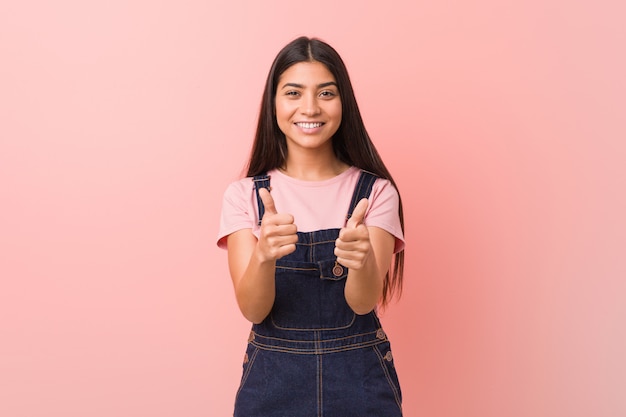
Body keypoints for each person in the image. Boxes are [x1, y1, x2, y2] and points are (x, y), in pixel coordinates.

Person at [217, 36, 405, 417]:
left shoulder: (377, 192)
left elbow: (363, 302)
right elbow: (254, 309)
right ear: (273, 103)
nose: (309, 108)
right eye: (293, 93)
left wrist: (362, 260)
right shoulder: (243, 196)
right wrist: (264, 256)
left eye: (325, 93)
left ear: (343, 102)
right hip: (273, 381)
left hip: (359, 380)